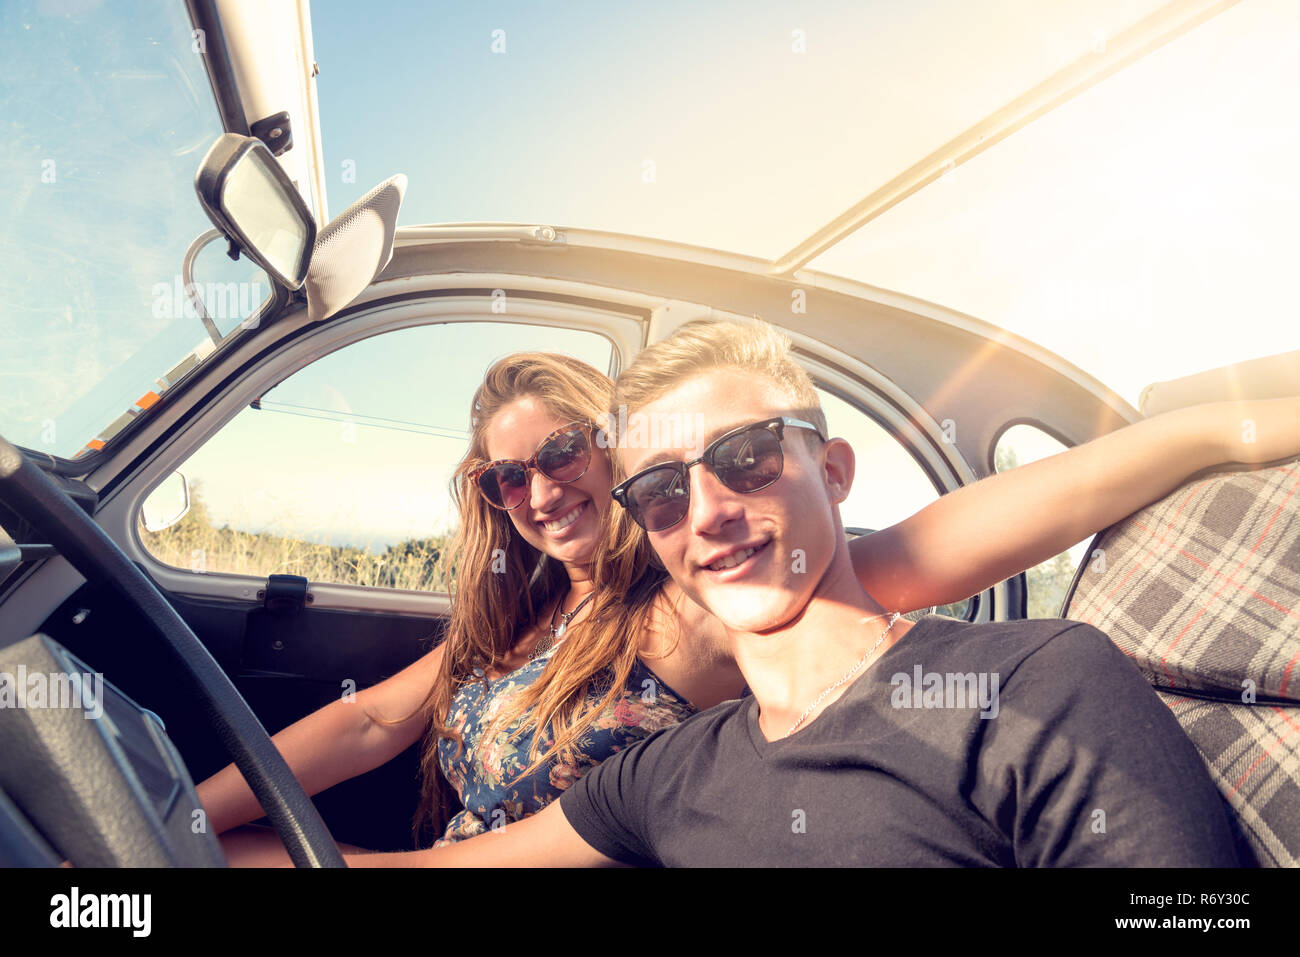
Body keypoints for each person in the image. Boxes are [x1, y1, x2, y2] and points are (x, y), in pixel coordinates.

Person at [200, 322, 1298, 865]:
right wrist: (173, 825)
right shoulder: (546, 642)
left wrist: (1215, 431)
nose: (539, 489)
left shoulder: (709, 605)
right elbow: (375, 716)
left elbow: (956, 539)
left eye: (566, 451)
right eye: (506, 476)